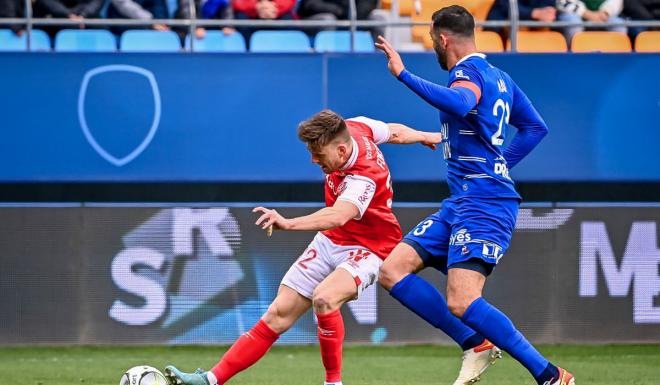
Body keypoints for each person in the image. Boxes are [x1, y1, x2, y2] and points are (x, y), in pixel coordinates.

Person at [163, 110, 443, 385]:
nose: (313, 160)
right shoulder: (355, 126)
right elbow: (393, 131)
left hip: (370, 247)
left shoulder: (363, 178)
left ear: (342, 151)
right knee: (277, 314)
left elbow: (337, 215)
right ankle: (210, 380)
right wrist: (424, 135)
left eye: (319, 155)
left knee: (325, 299)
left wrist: (288, 223)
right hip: (332, 239)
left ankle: (333, 383)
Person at [375, 5, 576, 385]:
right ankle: (477, 344)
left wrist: (403, 75)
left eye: (433, 38)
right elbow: (534, 127)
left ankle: (550, 376)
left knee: (462, 300)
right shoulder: (499, 77)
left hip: (485, 203)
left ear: (442, 38)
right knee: (392, 270)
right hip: (464, 200)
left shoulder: (466, 72)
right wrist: (500, 163)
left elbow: (460, 102)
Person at [556, 0, 627, 42]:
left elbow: (617, 2)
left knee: (619, 27)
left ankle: (614, 60)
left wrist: (606, 12)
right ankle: (570, 57)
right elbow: (563, 2)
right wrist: (585, 13)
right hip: (574, 12)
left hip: (603, 14)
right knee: (574, 25)